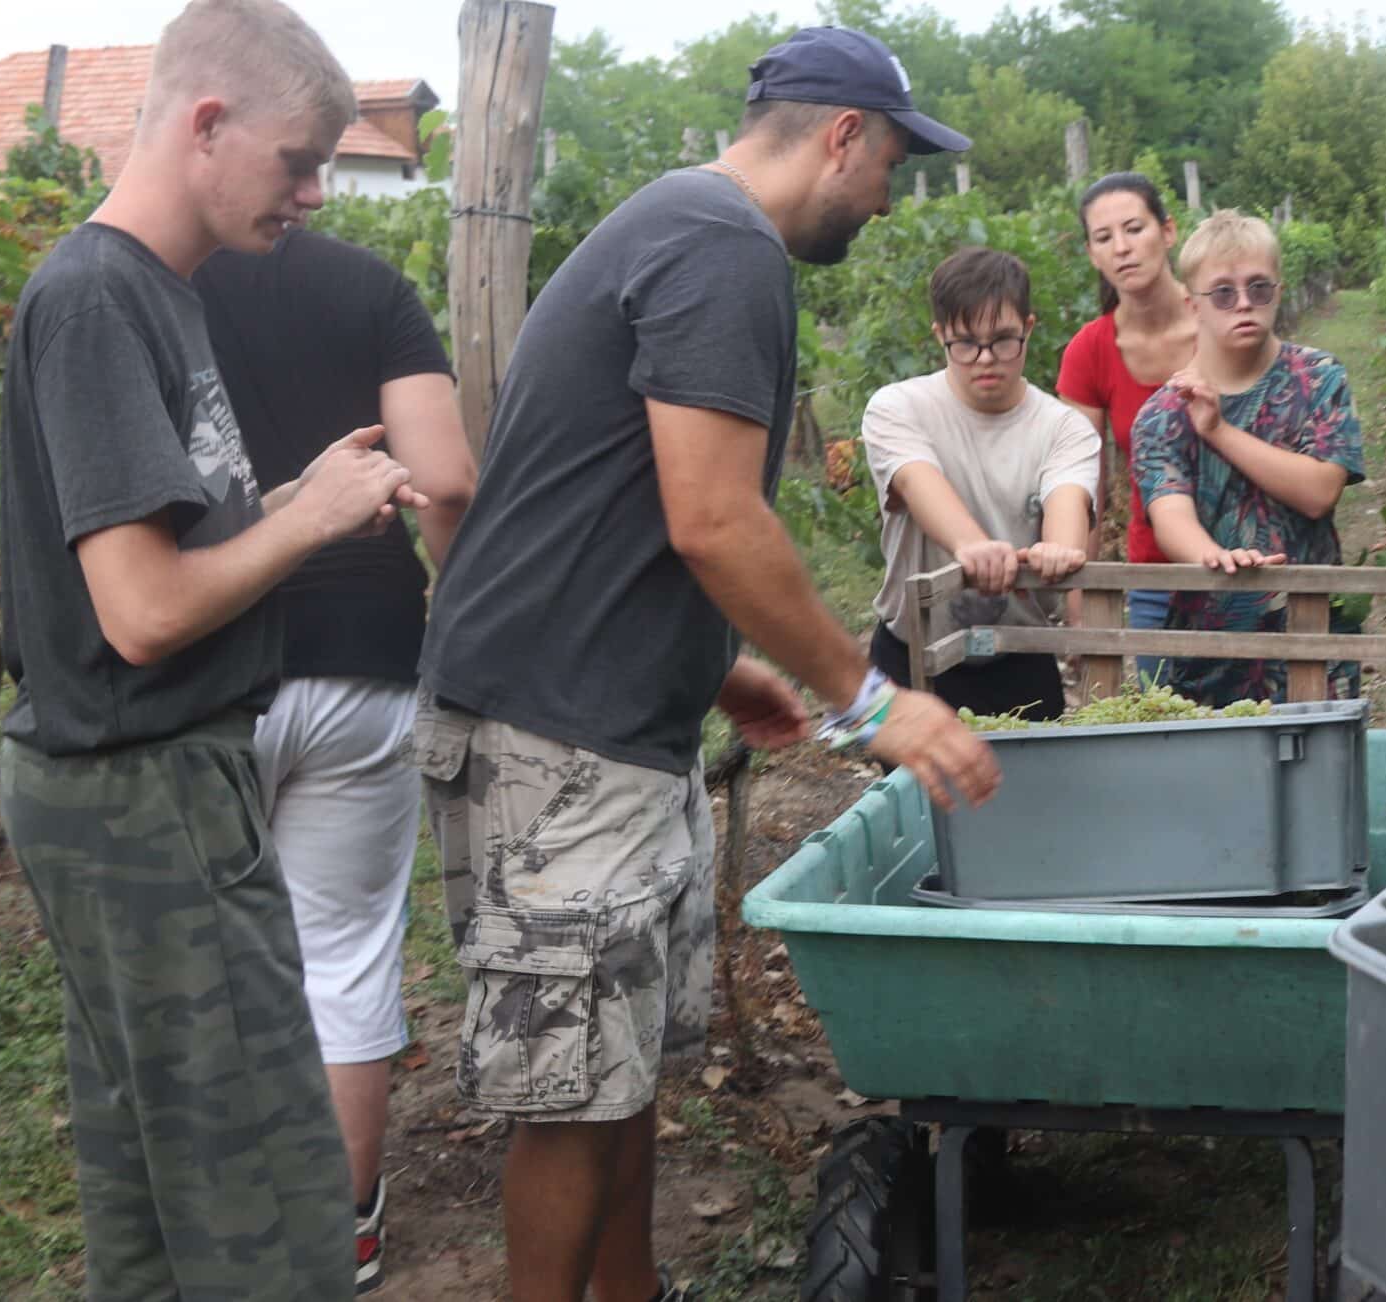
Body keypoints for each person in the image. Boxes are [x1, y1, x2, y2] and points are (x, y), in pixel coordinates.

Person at [409, 25, 999, 1302]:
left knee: (611, 1075)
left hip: (598, 719)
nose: (887, 196)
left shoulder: (685, 226)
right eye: (890, 163)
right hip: (556, 734)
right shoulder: (723, 246)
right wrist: (869, 699)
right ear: (842, 134)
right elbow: (716, 517)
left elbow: (606, 492)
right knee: (567, 1097)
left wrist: (715, 660)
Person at [0, 2, 430, 1296]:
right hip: (149, 792)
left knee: (156, 1198)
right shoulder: (97, 298)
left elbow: (167, 543)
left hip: (142, 787)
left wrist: (288, 494)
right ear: (205, 124)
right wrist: (311, 522)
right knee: (269, 1204)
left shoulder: (160, 292)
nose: (313, 193)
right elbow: (139, 611)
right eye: (298, 161)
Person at [191, 225, 477, 1294]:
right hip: (366, 661)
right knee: (346, 954)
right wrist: (462, 621)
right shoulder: (370, 286)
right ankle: (344, 1227)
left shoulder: (153, 282)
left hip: (210, 661)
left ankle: (219, 1219)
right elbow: (444, 480)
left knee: (201, 958)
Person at [1131, 208, 1364, 706]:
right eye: (1223, 292)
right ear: (1193, 304)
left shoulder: (1319, 378)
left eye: (1259, 288)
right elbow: (1169, 515)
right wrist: (1211, 556)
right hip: (1208, 661)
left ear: (1278, 291)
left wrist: (1218, 430)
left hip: (1314, 648)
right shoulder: (1161, 414)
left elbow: (1320, 491)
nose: (1243, 303)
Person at [862, 247, 1100, 720]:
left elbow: (1067, 503)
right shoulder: (898, 408)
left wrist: (1060, 550)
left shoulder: (1064, 429)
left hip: (1021, 660)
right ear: (940, 336)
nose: (986, 359)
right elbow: (916, 479)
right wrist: (973, 546)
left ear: (1029, 328)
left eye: (1004, 340)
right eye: (966, 343)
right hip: (911, 662)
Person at [1057, 172, 1198, 680]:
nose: (1122, 248)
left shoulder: (1223, 319)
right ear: (1092, 254)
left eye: (1134, 229)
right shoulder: (1089, 352)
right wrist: (1079, 601)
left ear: (1168, 231)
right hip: (1154, 578)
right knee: (1167, 715)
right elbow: (1082, 486)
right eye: (1104, 237)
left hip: (1249, 570)